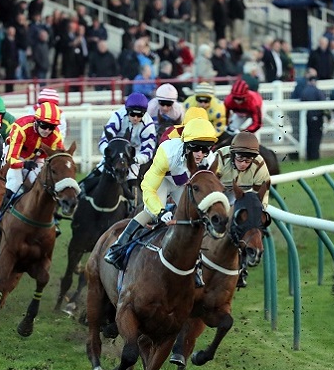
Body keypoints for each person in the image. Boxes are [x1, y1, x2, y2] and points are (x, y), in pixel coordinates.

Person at [104, 117, 219, 270]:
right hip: (163, 181)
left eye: (205, 149)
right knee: (150, 213)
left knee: (197, 212)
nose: (200, 154)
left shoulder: (209, 161)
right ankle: (118, 246)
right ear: (185, 144)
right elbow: (148, 187)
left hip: (183, 183)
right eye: (196, 148)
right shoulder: (167, 153)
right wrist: (160, 211)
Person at [211, 131, 272, 288]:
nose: (244, 164)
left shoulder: (259, 164)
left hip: (241, 194)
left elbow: (261, 196)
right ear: (232, 154)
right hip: (217, 191)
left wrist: (257, 217)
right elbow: (209, 184)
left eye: (248, 160)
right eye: (240, 159)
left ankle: (242, 266)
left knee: (246, 223)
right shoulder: (220, 157)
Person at [87, 92, 157, 199]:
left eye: (139, 115)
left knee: (132, 177)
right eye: (132, 114)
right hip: (115, 151)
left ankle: (133, 204)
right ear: (127, 111)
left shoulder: (148, 125)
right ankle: (82, 193)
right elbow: (104, 140)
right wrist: (110, 154)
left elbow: (148, 151)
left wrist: (135, 159)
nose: (135, 118)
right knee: (98, 171)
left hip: (134, 153)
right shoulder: (118, 116)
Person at [2, 100, 65, 209]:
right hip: (14, 156)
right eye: (44, 125)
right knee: (16, 182)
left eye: (51, 127)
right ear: (36, 121)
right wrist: (24, 164)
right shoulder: (22, 127)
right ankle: (3, 210)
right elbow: (11, 160)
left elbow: (60, 159)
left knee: (41, 183)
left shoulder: (56, 135)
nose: (47, 130)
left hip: (36, 159)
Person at [295, 69, 327, 160]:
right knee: (316, 137)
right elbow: (323, 103)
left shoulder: (304, 91)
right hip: (317, 117)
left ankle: (309, 155)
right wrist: (327, 115)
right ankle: (315, 155)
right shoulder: (317, 91)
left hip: (308, 117)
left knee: (309, 136)